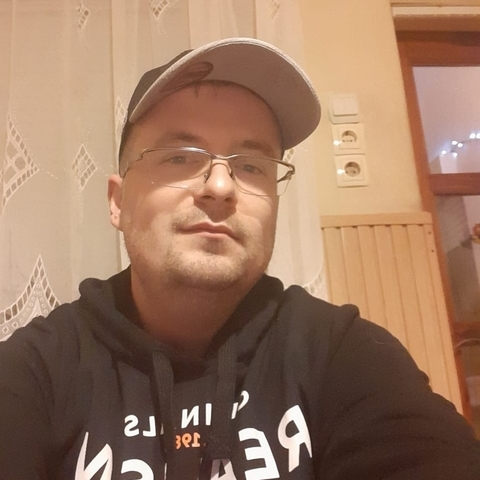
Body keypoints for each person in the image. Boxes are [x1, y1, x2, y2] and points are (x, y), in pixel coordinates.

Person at [0, 37, 479, 480]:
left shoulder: (342, 355)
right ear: (118, 202)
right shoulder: (39, 371)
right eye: (180, 156)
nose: (220, 186)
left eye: (251, 165)